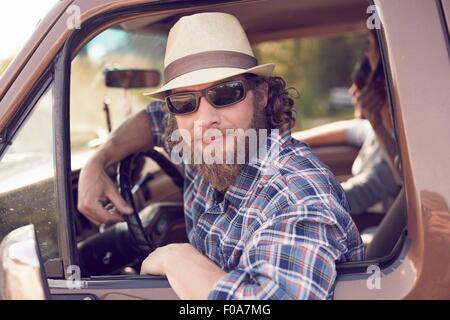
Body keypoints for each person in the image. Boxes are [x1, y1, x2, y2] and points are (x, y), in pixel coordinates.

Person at [77, 12, 363, 300]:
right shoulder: (194, 142)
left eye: (225, 93)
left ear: (261, 95)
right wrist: (99, 161)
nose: (204, 119)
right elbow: (152, 120)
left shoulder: (297, 195)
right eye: (184, 102)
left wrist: (176, 259)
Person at [292, 31, 402, 216]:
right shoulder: (379, 129)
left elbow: (352, 197)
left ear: (378, 85)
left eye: (358, 83)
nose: (352, 91)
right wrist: (284, 141)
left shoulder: (398, 151)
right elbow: (347, 129)